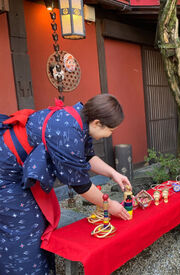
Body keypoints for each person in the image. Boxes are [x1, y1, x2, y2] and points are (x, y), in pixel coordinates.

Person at [0, 94, 132, 274]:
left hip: (18, 169)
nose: (110, 135)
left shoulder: (80, 119)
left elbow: (86, 157)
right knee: (24, 231)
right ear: (97, 123)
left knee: (40, 222)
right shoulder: (68, 131)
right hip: (6, 173)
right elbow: (82, 186)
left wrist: (113, 173)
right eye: (111, 131)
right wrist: (108, 205)